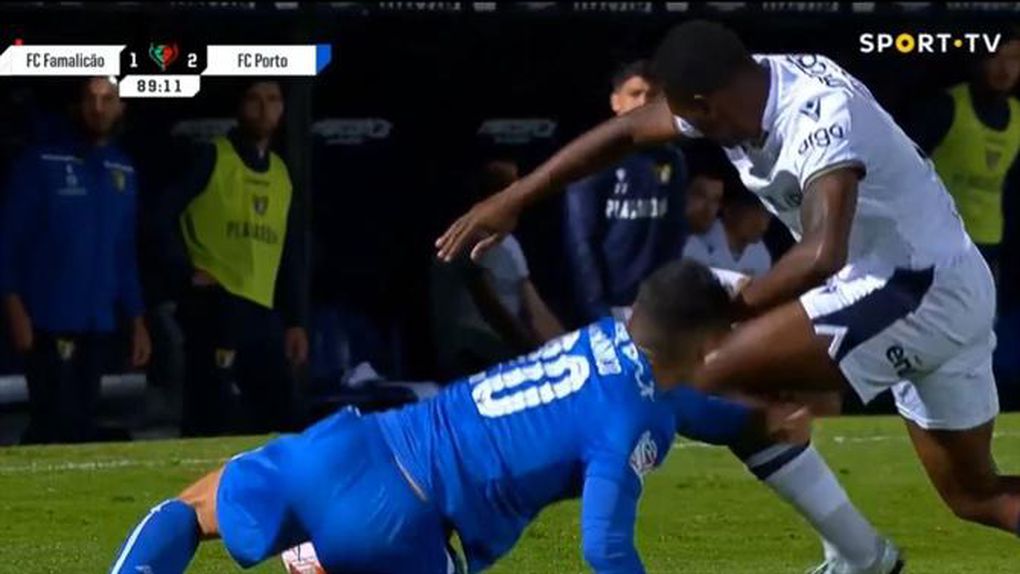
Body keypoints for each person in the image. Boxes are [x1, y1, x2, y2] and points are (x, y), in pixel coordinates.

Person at [437, 18, 1020, 553]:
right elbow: (628, 132)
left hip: (912, 292)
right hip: (941, 283)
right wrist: (515, 198)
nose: (693, 133)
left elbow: (822, 254)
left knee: (693, 369)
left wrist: (723, 314)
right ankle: (850, 540)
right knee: (978, 496)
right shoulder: (739, 87)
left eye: (693, 119)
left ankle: (855, 547)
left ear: (706, 104)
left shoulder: (819, 116)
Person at [110, 260, 797, 574]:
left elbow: (670, 394)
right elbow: (605, 549)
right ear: (704, 348)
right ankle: (319, 558)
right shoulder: (633, 421)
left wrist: (746, 423)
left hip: (354, 447)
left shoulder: (600, 340)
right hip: (404, 529)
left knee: (191, 510)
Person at [0, 77, 150, 444]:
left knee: (82, 422)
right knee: (54, 422)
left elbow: (124, 251)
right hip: (48, 321)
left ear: (121, 107)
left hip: (98, 323)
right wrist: (14, 308)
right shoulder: (41, 162)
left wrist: (137, 320)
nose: (98, 108)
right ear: (77, 105)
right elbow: (8, 241)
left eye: (108, 99)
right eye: (91, 98)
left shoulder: (123, 169)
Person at [155, 80, 308, 436]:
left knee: (281, 419)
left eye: (273, 100)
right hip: (215, 305)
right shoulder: (212, 157)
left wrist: (295, 321)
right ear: (240, 106)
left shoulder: (281, 173)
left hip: (262, 311)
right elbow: (160, 216)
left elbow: (289, 252)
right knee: (209, 416)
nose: (264, 108)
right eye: (255, 99)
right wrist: (185, 271)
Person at [564, 60, 687, 322]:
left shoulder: (672, 159)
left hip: (656, 302)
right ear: (615, 101)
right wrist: (596, 308)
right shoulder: (594, 158)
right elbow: (581, 241)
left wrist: (671, 294)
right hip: (609, 304)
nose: (643, 102)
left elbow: (675, 232)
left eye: (652, 95)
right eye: (635, 94)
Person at [432, 158, 565, 375]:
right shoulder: (463, 238)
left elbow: (534, 308)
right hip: (470, 359)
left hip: (506, 354)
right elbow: (491, 310)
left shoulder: (510, 243)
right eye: (508, 190)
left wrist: (570, 347)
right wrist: (533, 354)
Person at [908, 33, 1020, 281]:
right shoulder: (945, 106)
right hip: (938, 242)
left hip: (989, 244)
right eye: (996, 57)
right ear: (979, 59)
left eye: (1015, 58)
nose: (1005, 68)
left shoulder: (1018, 116)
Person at [683, 186, 772, 277]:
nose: (763, 225)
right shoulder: (696, 242)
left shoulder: (761, 253)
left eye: (767, 215)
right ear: (729, 210)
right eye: (754, 214)